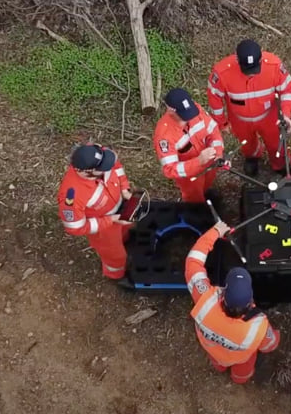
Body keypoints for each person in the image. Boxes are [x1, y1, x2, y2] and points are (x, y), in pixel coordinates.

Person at [184, 220, 281, 384]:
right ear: (251, 300)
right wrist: (276, 337)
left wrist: (215, 231)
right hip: (241, 358)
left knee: (217, 358)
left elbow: (193, 261)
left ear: (224, 292)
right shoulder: (258, 327)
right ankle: (239, 379)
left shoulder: (204, 301)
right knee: (244, 367)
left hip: (212, 349)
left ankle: (219, 367)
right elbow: (269, 345)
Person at [206, 39, 291, 175]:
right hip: (240, 120)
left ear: (260, 60)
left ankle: (281, 165)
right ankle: (253, 157)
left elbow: (287, 90)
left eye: (254, 69)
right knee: (247, 144)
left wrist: (286, 114)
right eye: (246, 70)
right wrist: (221, 122)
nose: (251, 74)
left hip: (269, 117)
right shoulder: (222, 73)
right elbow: (214, 98)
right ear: (237, 59)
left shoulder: (274, 66)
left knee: (276, 142)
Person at [57, 143, 134, 279]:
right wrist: (111, 220)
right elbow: (76, 228)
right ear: (87, 171)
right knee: (115, 255)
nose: (107, 169)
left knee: (127, 230)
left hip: (122, 209)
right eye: (103, 169)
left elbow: (116, 165)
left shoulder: (99, 155)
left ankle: (125, 240)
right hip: (104, 229)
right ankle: (116, 275)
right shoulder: (72, 196)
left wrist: (124, 188)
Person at [153, 88, 225, 203]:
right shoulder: (164, 135)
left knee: (207, 182)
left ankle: (205, 192)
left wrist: (218, 152)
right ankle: (198, 212)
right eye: (184, 116)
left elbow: (213, 130)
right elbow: (169, 169)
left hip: (209, 161)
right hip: (189, 175)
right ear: (170, 110)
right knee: (194, 198)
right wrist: (199, 162)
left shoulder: (195, 109)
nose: (190, 118)